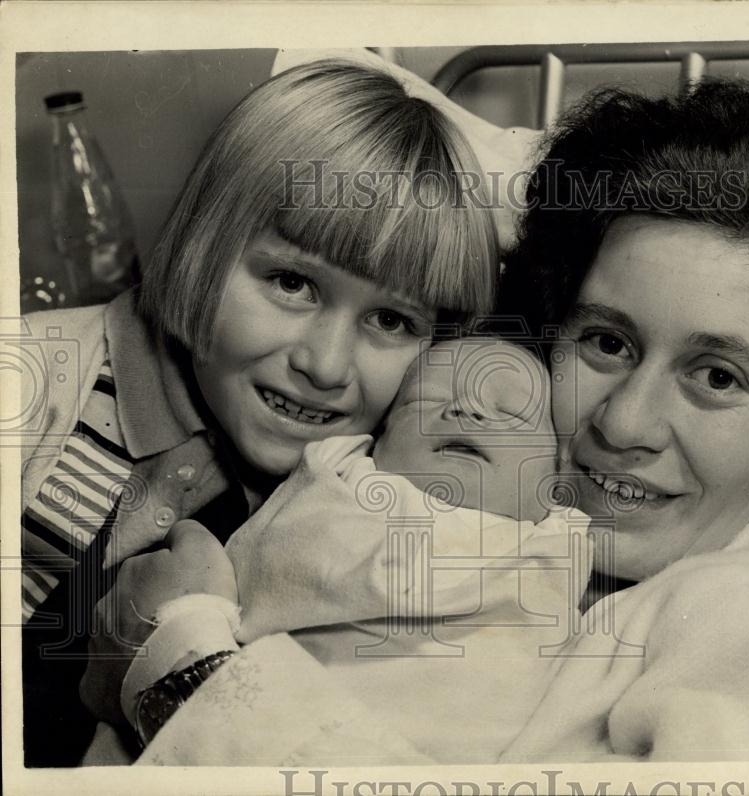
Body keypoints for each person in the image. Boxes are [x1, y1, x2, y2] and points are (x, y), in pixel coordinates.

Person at [81, 65, 749, 763]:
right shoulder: (513, 530)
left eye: (718, 377)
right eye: (607, 344)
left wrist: (184, 669)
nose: (625, 425)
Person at [19, 57, 499, 766]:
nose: (326, 366)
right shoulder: (40, 380)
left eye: (393, 322)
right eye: (292, 282)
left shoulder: (368, 487)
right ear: (203, 245)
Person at [113, 338, 591, 764]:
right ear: (374, 447)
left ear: (555, 481)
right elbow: (264, 576)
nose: (464, 410)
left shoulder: (546, 552)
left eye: (509, 411)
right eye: (427, 400)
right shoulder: (335, 490)